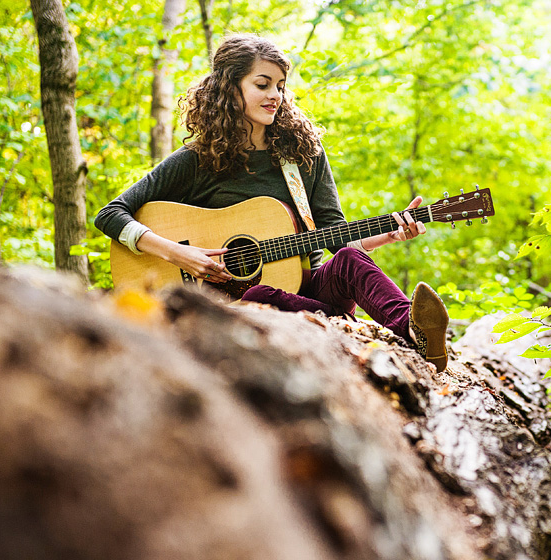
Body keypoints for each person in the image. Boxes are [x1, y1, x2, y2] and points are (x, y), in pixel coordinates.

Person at [94, 34, 449, 371]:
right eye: (262, 84)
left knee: (349, 259)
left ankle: (415, 331)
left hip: (307, 284)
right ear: (229, 88)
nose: (275, 95)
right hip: (232, 301)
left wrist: (389, 234)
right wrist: (178, 253)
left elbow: (333, 233)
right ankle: (341, 324)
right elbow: (110, 214)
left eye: (280, 86)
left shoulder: (303, 153)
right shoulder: (197, 159)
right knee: (260, 292)